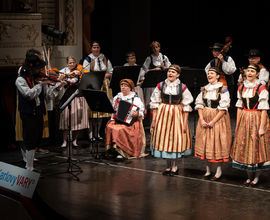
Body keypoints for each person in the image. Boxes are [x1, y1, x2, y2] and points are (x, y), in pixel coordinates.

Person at [15, 54, 60, 171]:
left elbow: (48, 96)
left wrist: (58, 87)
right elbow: (29, 94)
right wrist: (40, 84)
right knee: (29, 139)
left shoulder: (39, 79)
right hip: (28, 113)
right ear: (31, 69)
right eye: (38, 69)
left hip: (39, 112)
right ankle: (29, 166)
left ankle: (30, 164)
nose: (40, 71)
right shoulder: (20, 80)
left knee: (37, 139)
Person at [230, 64, 270, 186]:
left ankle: (256, 177)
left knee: (257, 147)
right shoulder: (241, 87)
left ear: (257, 74)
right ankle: (249, 176)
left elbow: (264, 109)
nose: (250, 73)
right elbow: (239, 107)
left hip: (257, 117)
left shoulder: (261, 88)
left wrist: (262, 127)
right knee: (246, 145)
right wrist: (238, 124)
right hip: (244, 118)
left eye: (253, 71)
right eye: (248, 71)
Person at [150, 64, 193, 176]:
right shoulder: (161, 85)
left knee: (174, 140)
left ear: (178, 75)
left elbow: (186, 106)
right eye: (169, 71)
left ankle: (175, 166)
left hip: (176, 115)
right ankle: (168, 166)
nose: (170, 73)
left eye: (173, 72)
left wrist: (184, 123)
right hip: (163, 114)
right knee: (164, 140)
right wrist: (154, 121)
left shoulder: (182, 87)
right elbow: (154, 104)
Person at [194, 67, 232, 180]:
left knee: (217, 144)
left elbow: (223, 108)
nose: (209, 75)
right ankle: (208, 170)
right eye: (208, 73)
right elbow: (200, 104)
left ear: (217, 76)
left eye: (212, 73)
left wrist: (213, 121)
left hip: (218, 119)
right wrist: (201, 119)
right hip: (205, 117)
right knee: (205, 143)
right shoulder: (204, 89)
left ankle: (218, 171)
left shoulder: (223, 89)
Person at [105, 79, 145, 159]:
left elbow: (141, 113)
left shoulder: (135, 99)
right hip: (118, 120)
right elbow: (113, 110)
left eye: (125, 86)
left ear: (130, 88)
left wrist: (136, 114)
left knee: (119, 129)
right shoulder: (117, 97)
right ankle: (113, 149)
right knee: (109, 126)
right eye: (122, 85)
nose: (123, 87)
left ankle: (122, 151)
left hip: (131, 122)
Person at [82, 41, 113, 141]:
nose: (96, 49)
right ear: (91, 49)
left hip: (104, 85)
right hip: (93, 85)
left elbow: (111, 72)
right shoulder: (88, 59)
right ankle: (91, 134)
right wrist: (97, 75)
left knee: (101, 111)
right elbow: (85, 72)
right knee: (92, 112)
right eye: (94, 47)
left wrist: (102, 75)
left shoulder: (104, 58)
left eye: (97, 47)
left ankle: (97, 133)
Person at [59, 56, 90, 147]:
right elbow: (59, 79)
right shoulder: (64, 71)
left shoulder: (79, 71)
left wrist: (80, 72)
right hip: (68, 97)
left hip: (78, 97)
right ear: (67, 63)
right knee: (66, 120)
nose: (72, 64)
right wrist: (65, 76)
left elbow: (87, 76)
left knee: (78, 121)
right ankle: (64, 141)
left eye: (73, 62)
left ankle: (74, 141)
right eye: (70, 63)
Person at [138, 41, 171, 117]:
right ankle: (150, 120)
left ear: (159, 48)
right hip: (151, 83)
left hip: (162, 82)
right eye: (153, 48)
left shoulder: (164, 57)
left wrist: (163, 67)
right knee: (151, 102)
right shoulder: (149, 58)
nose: (155, 49)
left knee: (161, 101)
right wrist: (153, 70)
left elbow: (170, 69)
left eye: (157, 47)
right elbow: (143, 70)